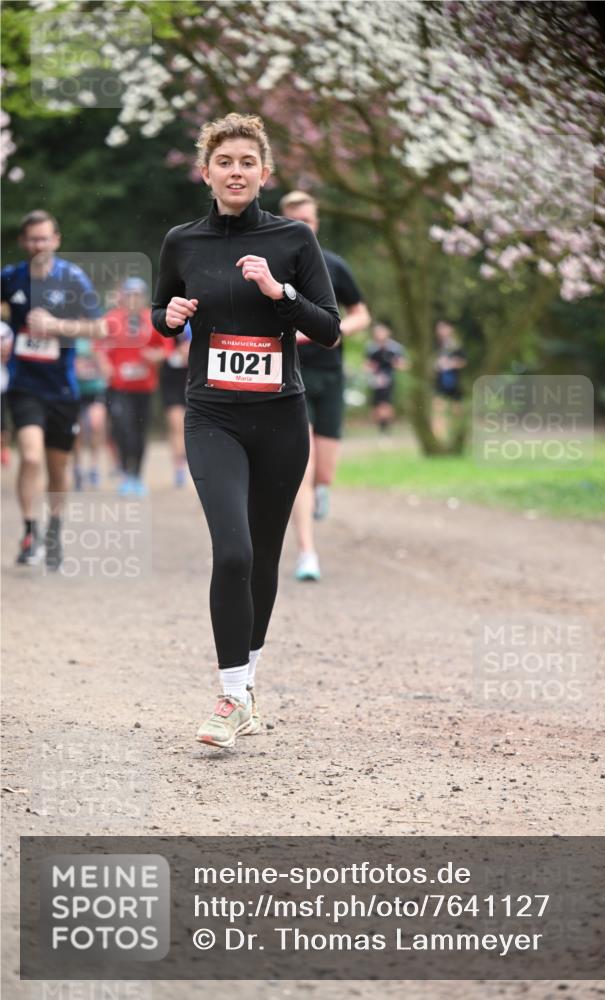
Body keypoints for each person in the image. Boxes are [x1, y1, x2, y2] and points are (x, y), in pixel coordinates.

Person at [151, 113, 340, 749]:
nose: (236, 172)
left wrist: (277, 289)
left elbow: (328, 328)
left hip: (281, 419)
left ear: (265, 173)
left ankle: (249, 679)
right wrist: (169, 316)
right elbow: (161, 310)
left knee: (260, 553)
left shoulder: (294, 238)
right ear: (206, 172)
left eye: (247, 163)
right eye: (224, 162)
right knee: (231, 551)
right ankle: (231, 695)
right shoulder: (182, 241)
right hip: (212, 416)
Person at [1, 210, 106, 568]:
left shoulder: (73, 279)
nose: (38, 245)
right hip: (23, 384)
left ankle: (54, 531)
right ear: (22, 242)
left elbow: (100, 328)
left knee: (57, 467)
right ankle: (30, 532)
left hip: (62, 387)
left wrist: (57, 325)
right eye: (32, 239)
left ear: (56, 240)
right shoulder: (11, 277)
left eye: (44, 238)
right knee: (30, 456)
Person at [279, 191, 370, 582]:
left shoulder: (335, 266)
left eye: (310, 221)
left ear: (318, 222)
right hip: (291, 376)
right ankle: (307, 553)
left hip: (330, 376)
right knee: (304, 464)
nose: (306, 227)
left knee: (325, 470)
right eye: (297, 221)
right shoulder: (274, 267)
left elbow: (361, 314)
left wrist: (331, 331)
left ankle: (321, 492)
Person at [103, 277, 166, 497]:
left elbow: (165, 348)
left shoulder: (151, 319)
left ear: (143, 297)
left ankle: (136, 476)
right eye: (129, 294)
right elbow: (98, 346)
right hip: (118, 386)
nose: (133, 299)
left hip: (144, 386)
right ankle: (125, 468)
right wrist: (105, 365)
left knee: (139, 433)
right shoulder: (112, 319)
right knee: (122, 428)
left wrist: (155, 356)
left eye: (137, 295)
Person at [72, 334, 108, 490]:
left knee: (96, 425)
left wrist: (98, 359)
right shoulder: (70, 340)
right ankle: (78, 467)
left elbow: (107, 370)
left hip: (95, 391)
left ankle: (94, 466)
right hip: (75, 392)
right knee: (77, 431)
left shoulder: (99, 341)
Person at [159, 322, 191, 487]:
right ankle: (179, 466)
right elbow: (161, 347)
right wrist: (174, 352)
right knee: (176, 423)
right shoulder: (166, 314)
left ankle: (187, 459)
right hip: (172, 379)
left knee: (188, 425)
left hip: (192, 377)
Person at [364, 321, 407, 433]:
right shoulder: (371, 348)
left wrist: (394, 364)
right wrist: (371, 369)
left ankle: (386, 430)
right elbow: (367, 365)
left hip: (389, 380)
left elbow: (403, 365)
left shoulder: (395, 348)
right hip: (376, 381)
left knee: (386, 405)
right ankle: (380, 429)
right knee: (376, 407)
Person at [433, 319, 467, 437]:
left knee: (457, 408)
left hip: (454, 380)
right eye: (439, 328)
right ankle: (439, 434)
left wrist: (450, 363)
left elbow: (463, 361)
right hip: (440, 380)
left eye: (444, 328)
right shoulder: (436, 345)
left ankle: (458, 432)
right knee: (438, 407)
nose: (441, 331)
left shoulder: (456, 345)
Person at [0, 320, 14, 466]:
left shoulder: (5, 330)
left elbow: (7, 356)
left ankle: (3, 448)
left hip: (2, 385)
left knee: (2, 425)